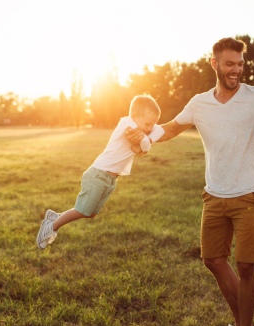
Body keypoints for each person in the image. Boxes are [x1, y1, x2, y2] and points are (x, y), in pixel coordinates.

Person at [126, 38, 254, 326]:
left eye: (241, 64)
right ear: (215, 64)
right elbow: (171, 129)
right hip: (214, 195)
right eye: (230, 63)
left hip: (248, 194)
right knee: (213, 260)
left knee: (246, 266)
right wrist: (143, 132)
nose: (237, 70)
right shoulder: (199, 103)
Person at [35, 95, 165, 250]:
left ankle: (55, 217)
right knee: (82, 210)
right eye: (147, 124)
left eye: (152, 124)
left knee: (90, 214)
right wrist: (146, 144)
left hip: (110, 179)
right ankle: (51, 227)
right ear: (134, 116)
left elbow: (159, 130)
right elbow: (143, 144)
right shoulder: (126, 123)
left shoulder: (142, 127)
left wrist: (148, 138)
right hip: (98, 175)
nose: (150, 128)